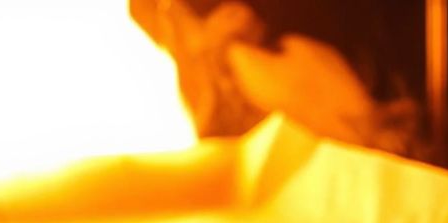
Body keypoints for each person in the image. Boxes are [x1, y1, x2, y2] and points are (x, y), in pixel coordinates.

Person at [132, 0, 415, 150]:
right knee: (244, 57)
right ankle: (363, 129)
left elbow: (248, 19)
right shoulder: (159, 27)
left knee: (279, 53)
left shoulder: (272, 52)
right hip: (216, 84)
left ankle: (366, 126)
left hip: (263, 60)